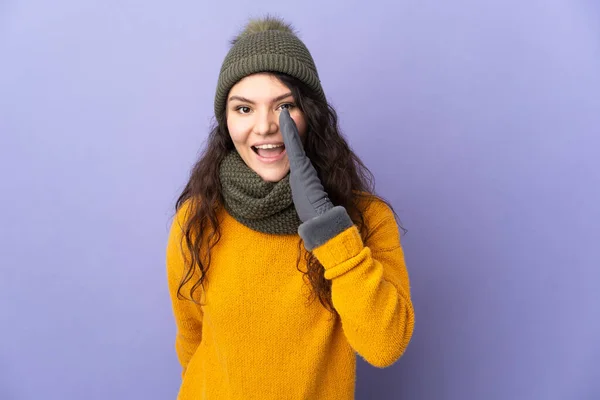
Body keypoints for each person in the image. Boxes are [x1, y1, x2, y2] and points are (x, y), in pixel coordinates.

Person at [166, 15, 415, 400]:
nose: (265, 126)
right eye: (244, 109)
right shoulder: (198, 219)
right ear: (225, 121)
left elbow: (385, 344)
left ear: (310, 114)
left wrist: (327, 226)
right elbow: (192, 341)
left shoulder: (366, 219)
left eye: (284, 107)